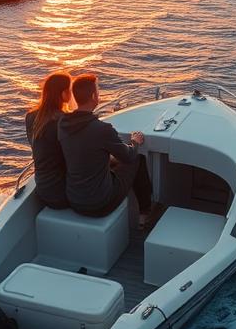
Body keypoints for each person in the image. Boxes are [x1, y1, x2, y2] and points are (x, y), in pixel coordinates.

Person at [58, 73, 154, 225]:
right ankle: (145, 213)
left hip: (74, 199)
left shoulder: (63, 124)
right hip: (100, 203)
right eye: (98, 89)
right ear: (94, 96)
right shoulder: (102, 129)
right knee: (137, 158)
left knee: (114, 163)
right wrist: (135, 142)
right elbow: (127, 156)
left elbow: (85, 152)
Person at [24, 71, 72, 210]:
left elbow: (35, 147)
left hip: (43, 189)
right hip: (64, 194)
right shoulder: (65, 121)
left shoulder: (30, 117)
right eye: (69, 90)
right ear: (63, 94)